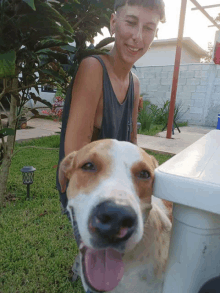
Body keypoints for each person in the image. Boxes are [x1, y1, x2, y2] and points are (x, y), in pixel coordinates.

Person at [56, 0, 165, 213]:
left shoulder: (134, 82)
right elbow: (77, 157)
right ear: (113, 22)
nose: (138, 37)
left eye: (148, 28)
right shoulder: (93, 68)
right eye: (131, 22)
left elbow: (132, 144)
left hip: (122, 194)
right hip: (89, 196)